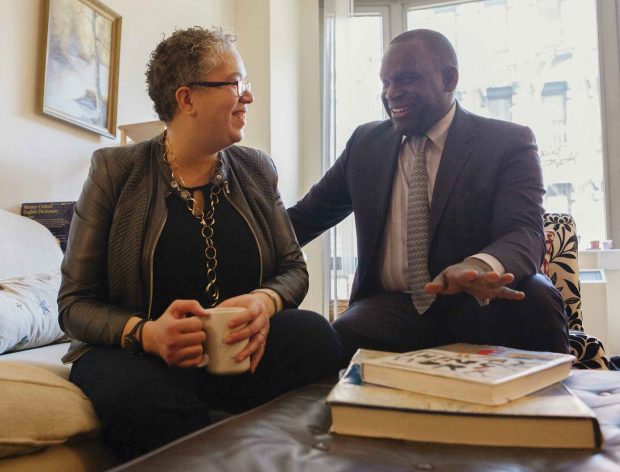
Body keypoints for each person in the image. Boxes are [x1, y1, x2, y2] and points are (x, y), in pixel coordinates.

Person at [58, 26, 342, 460]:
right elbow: (74, 304)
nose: (247, 96)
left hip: (239, 349)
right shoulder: (114, 171)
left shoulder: (256, 169)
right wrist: (148, 334)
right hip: (138, 353)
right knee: (136, 397)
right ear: (186, 98)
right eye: (235, 83)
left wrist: (263, 302)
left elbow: (293, 269)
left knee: (316, 336)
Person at [288, 29, 567, 366]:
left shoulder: (506, 142)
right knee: (338, 334)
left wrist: (478, 265)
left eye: (405, 79)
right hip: (391, 307)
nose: (391, 93)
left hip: (477, 303)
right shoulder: (365, 144)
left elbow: (524, 233)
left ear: (449, 78)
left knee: (538, 298)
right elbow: (305, 218)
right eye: (385, 82)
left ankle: (553, 414)